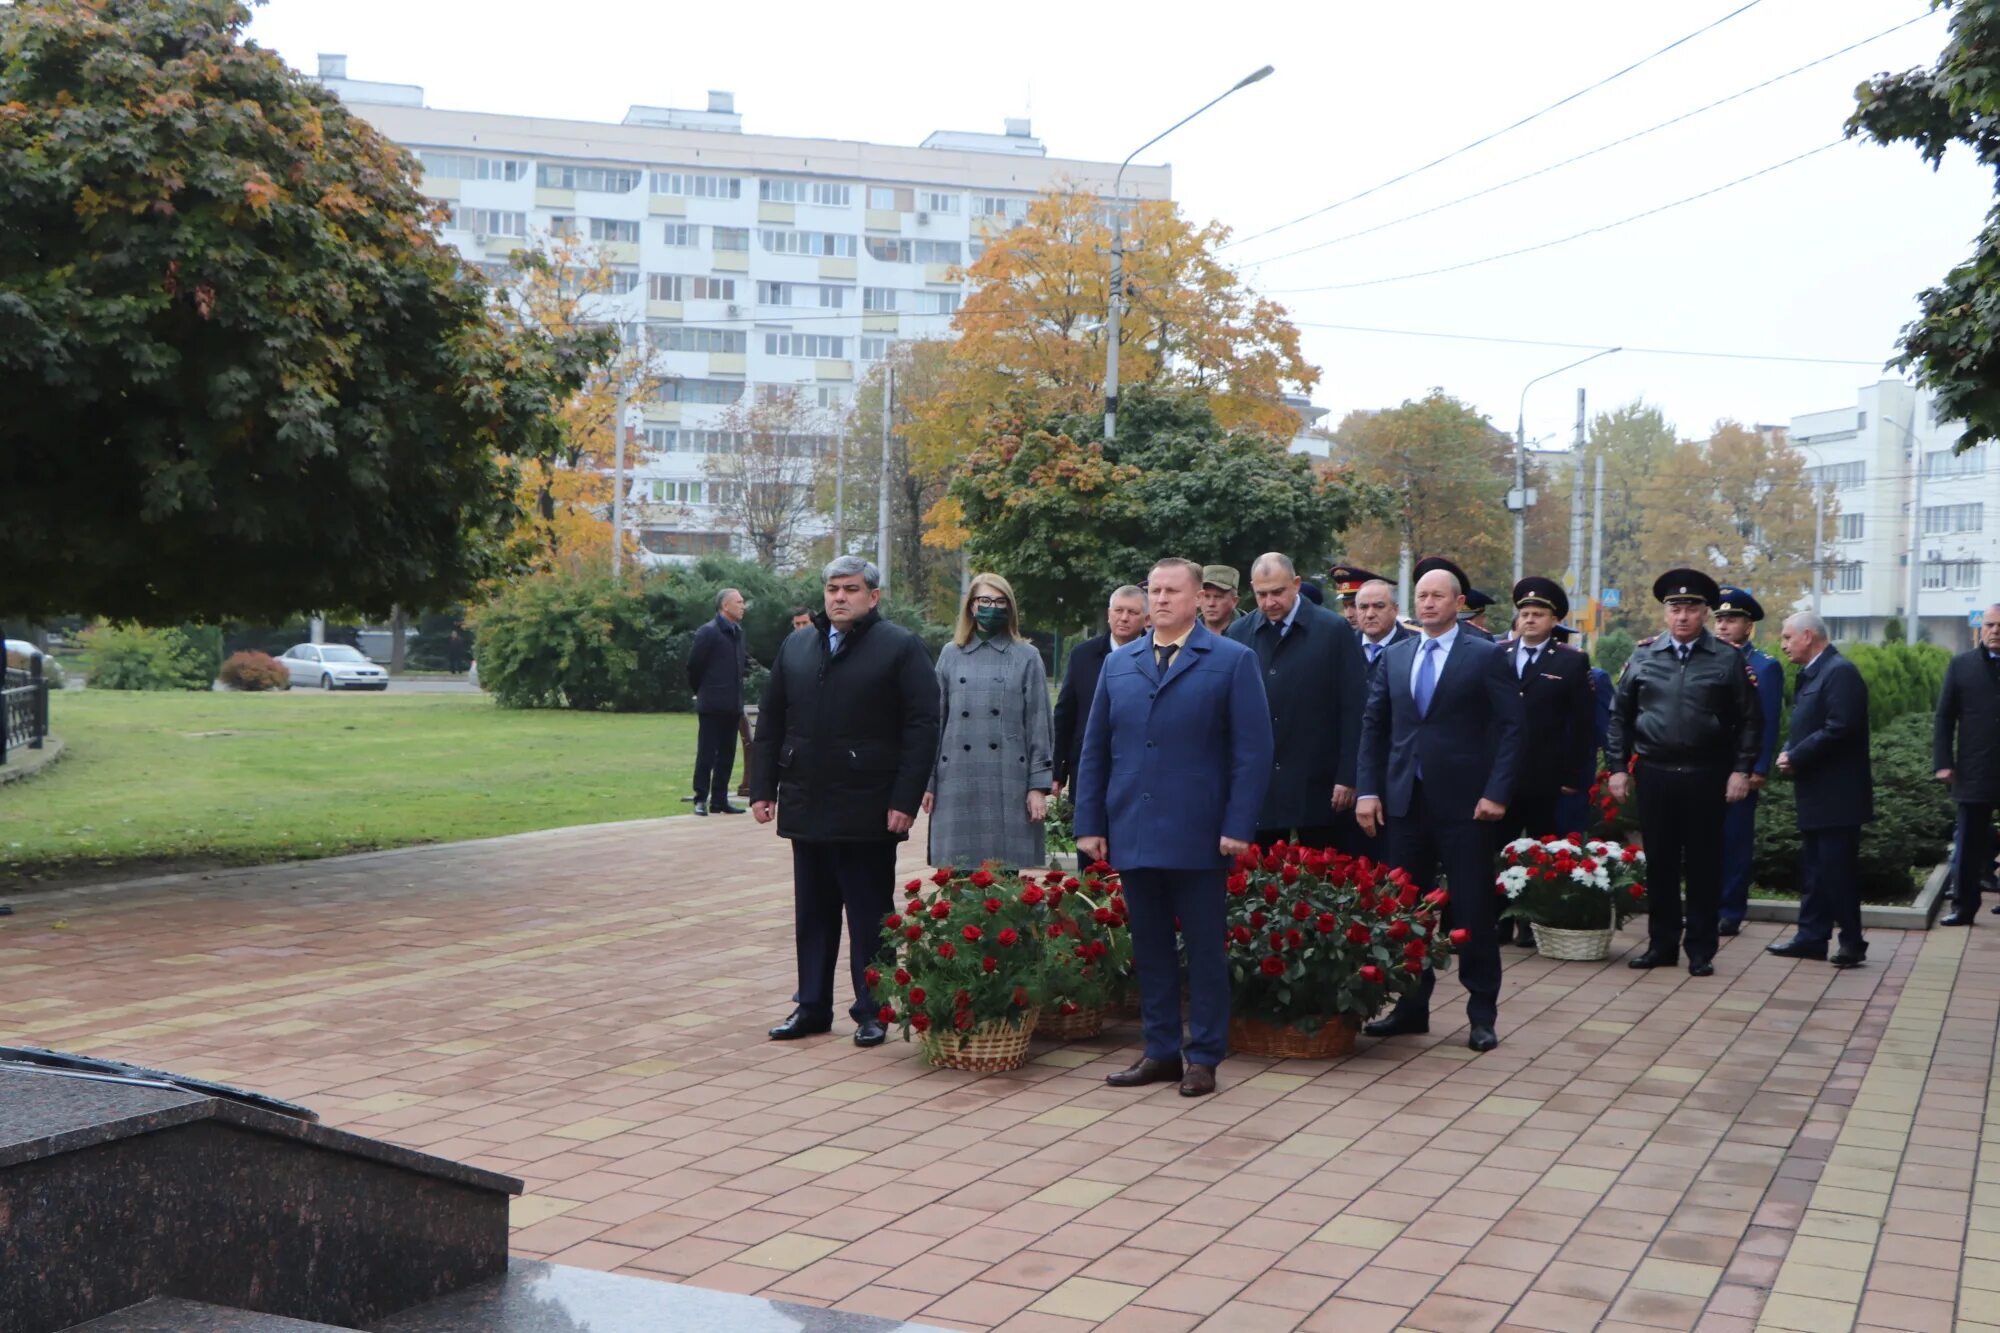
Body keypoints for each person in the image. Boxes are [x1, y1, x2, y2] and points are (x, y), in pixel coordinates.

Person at [1074, 557, 1272, 1097]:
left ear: (1195, 598)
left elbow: (1252, 753)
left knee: (1205, 948)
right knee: (1151, 947)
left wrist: (1238, 824)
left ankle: (1204, 1056)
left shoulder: (1232, 661)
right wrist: (1090, 822)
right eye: (1153, 590)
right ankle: (1160, 1051)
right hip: (1134, 828)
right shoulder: (1120, 664)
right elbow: (1095, 750)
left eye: (1171, 591)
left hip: (1200, 832)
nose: (1159, 600)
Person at [752, 557, 941, 1046]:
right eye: (832, 588)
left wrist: (904, 796)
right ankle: (811, 1006)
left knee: (868, 914)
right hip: (807, 802)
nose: (839, 597)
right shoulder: (797, 645)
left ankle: (872, 1009)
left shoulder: (899, 648)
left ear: (872, 596)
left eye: (851, 589)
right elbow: (771, 721)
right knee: (812, 913)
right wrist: (760, 788)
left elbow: (922, 726)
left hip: (868, 805)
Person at [1355, 566, 1524, 1052]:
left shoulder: (1485, 655)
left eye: (1437, 596)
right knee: (1407, 910)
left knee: (1471, 907)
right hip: (1405, 802)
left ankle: (1481, 1013)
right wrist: (1368, 790)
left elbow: (1513, 728)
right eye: (1421, 596)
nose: (1427, 604)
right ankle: (1410, 1007)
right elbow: (1375, 728)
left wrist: (1496, 792)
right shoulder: (1397, 654)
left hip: (1466, 805)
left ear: (1458, 602)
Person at [1606, 569, 1761, 976]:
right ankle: (1661, 945)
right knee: (1659, 863)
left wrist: (1741, 770)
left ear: (1706, 612)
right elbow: (1619, 718)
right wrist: (1618, 769)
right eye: (1675, 608)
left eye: (1691, 607)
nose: (1682, 616)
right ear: (1664, 613)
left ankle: (1701, 949)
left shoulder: (1727, 658)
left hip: (1706, 774)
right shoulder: (1643, 656)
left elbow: (1749, 720)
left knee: (1704, 864)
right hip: (1656, 774)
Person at [1227, 552, 1367, 850]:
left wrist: (1348, 775)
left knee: (1328, 882)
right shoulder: (1239, 634)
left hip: (1320, 784)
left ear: (1297, 584)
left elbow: (1354, 707)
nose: (1269, 602)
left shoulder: (1333, 631)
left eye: (1277, 592)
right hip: (1260, 788)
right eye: (1261, 594)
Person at [923, 574, 1055, 871]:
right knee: (957, 883)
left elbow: (1039, 725)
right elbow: (935, 722)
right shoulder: (950, 654)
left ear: (1010, 608)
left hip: (1007, 781)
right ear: (971, 606)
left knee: (1003, 890)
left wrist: (1038, 787)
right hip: (955, 780)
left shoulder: (1027, 656)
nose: (991, 607)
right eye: (984, 601)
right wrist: (928, 781)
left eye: (999, 601)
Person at [1493, 577, 1594, 949]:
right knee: (1498, 851)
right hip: (1500, 775)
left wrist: (1572, 773)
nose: (1530, 620)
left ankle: (1531, 921)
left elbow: (1581, 725)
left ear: (1554, 621)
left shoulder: (1571, 661)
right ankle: (1499, 920)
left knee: (1539, 851)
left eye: (1538, 614)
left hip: (1544, 774)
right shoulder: (1497, 653)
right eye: (1524, 613)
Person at [1770, 611, 1871, 967]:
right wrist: (1790, 749)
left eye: (1786, 637)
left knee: (1836, 869)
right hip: (1817, 789)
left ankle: (1852, 941)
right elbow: (1809, 723)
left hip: (1838, 794)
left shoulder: (1839, 672)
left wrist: (1797, 754)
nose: (1783, 645)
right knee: (1815, 869)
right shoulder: (1814, 671)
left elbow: (1840, 727)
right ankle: (1812, 937)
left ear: (1808, 635)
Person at [1711, 587, 1783, 937]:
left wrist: (1758, 767)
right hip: (1704, 766)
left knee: (1735, 839)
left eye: (1732, 619)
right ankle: (1706, 904)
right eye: (1720, 619)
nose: (1723, 626)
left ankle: (1730, 909)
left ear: (1748, 625)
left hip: (1740, 767)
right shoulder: (1705, 658)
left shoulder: (1763, 667)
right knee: (1704, 839)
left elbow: (1767, 720)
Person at [1934, 603, 2000, 925]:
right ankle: (1963, 906)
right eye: (1989, 625)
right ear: (1980, 628)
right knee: (1969, 839)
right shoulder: (1961, 666)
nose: (1995, 631)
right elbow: (1944, 717)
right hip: (1975, 767)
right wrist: (1943, 762)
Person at [1052, 585, 1148, 796]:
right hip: (1088, 766)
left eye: (1132, 612)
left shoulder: (1158, 657)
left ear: (1146, 619)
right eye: (1118, 610)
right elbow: (1065, 714)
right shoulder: (1083, 655)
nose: (1124, 618)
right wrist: (1057, 770)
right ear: (1108, 614)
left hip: (1139, 771)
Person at [686, 588, 749, 816]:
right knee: (707, 752)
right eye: (739, 602)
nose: (743, 606)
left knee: (727, 753)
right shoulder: (708, 632)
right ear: (725, 606)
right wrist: (702, 691)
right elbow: (694, 666)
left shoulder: (738, 632)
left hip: (732, 705)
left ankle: (720, 800)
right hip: (712, 704)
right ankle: (700, 798)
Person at [1198, 565, 1242, 635]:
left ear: (1234, 601)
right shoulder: (1185, 631)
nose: (1211, 604)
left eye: (1218, 597)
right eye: (1206, 596)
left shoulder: (1251, 631)